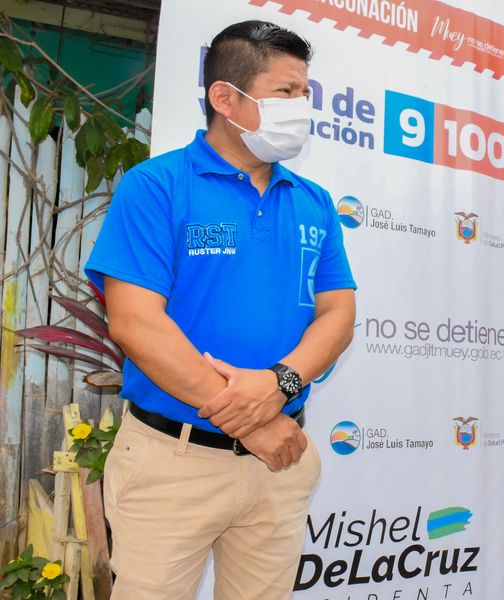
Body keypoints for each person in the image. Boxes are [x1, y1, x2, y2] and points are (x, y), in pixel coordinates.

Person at [85, 20, 356, 600]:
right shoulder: (156, 186)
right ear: (224, 98)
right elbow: (135, 322)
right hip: (173, 463)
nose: (302, 108)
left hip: (279, 464)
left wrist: (281, 383)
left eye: (305, 93)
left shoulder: (313, 202)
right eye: (285, 92)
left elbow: (338, 313)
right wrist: (253, 420)